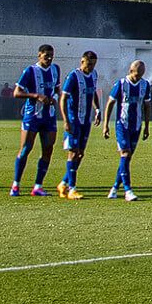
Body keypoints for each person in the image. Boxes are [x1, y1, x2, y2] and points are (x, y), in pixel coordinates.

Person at [10, 44, 62, 197]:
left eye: (51, 56)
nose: (49, 59)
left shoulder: (55, 69)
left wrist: (55, 98)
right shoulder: (30, 71)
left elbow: (57, 89)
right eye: (46, 56)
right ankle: (15, 185)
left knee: (48, 149)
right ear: (39, 55)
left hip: (49, 116)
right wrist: (35, 96)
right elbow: (16, 93)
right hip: (32, 115)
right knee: (26, 149)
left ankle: (38, 186)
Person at [56, 50, 101, 200]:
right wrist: (66, 120)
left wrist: (97, 109)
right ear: (82, 62)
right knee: (73, 153)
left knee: (80, 154)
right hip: (73, 120)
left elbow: (93, 92)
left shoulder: (94, 75)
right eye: (89, 64)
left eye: (93, 64)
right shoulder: (73, 76)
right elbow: (63, 99)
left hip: (86, 121)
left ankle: (63, 183)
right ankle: (72, 189)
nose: (91, 67)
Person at [104, 61, 151, 200]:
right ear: (130, 71)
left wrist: (147, 126)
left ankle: (114, 188)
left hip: (136, 126)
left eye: (141, 75)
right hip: (122, 125)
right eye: (136, 75)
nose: (138, 77)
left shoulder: (145, 85)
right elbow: (110, 103)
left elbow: (147, 106)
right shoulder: (121, 84)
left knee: (126, 158)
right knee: (125, 153)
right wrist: (106, 125)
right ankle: (128, 190)